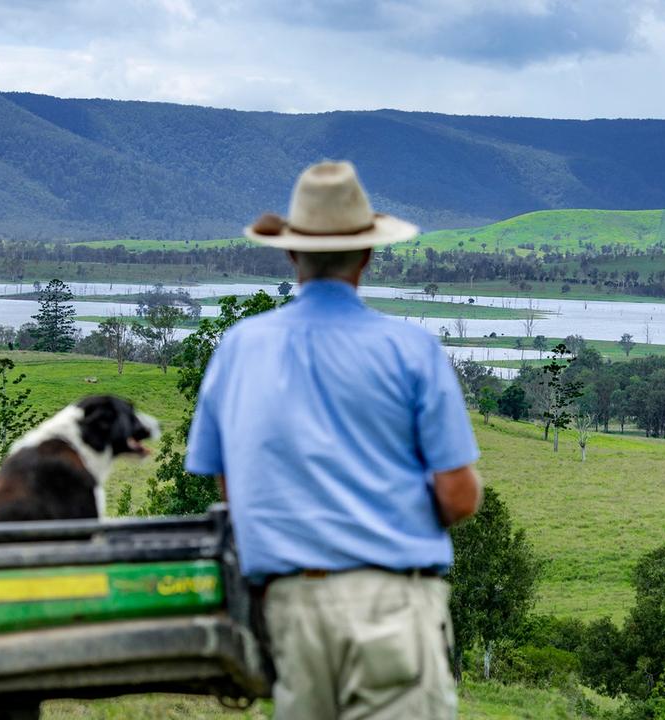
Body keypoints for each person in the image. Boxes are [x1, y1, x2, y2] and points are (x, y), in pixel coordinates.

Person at [185, 161, 483, 719]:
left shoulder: (239, 347)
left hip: (289, 606)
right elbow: (459, 498)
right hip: (391, 603)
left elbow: (231, 489)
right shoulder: (410, 351)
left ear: (292, 254)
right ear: (368, 255)